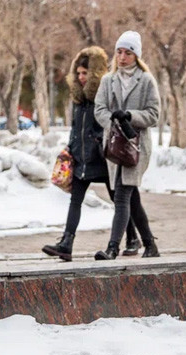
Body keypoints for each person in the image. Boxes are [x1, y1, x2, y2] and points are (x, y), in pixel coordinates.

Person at [42, 46, 141, 262]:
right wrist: (71, 146)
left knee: (119, 200)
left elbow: (110, 123)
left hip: (104, 158)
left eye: (85, 73)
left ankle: (133, 237)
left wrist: (99, 141)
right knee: (75, 200)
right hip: (80, 158)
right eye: (78, 73)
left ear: (95, 73)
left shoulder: (104, 94)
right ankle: (66, 243)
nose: (81, 77)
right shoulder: (78, 99)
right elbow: (75, 126)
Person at [93, 30, 160, 260]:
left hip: (136, 147)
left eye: (128, 53)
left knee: (122, 195)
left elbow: (154, 114)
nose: (122, 57)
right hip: (114, 146)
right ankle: (150, 245)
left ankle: (112, 248)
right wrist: (112, 121)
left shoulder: (146, 80)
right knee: (132, 197)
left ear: (136, 55)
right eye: (119, 52)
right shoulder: (107, 80)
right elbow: (99, 109)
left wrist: (129, 116)